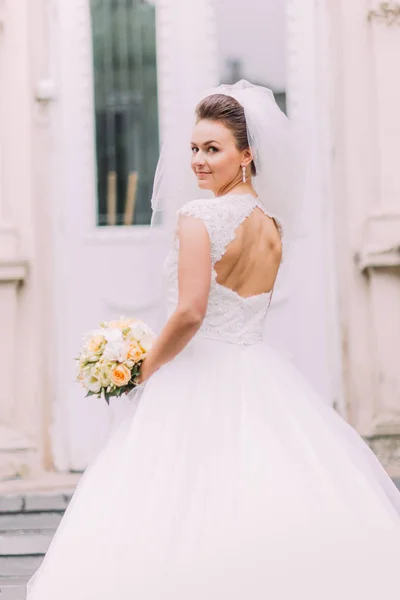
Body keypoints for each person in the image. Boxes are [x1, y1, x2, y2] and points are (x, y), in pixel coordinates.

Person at [26, 81, 400, 600]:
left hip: (200, 371)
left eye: (213, 149)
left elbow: (190, 311)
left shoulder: (199, 217)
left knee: (183, 498)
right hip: (259, 369)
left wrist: (144, 368)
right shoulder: (271, 224)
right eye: (195, 149)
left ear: (246, 155)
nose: (198, 161)